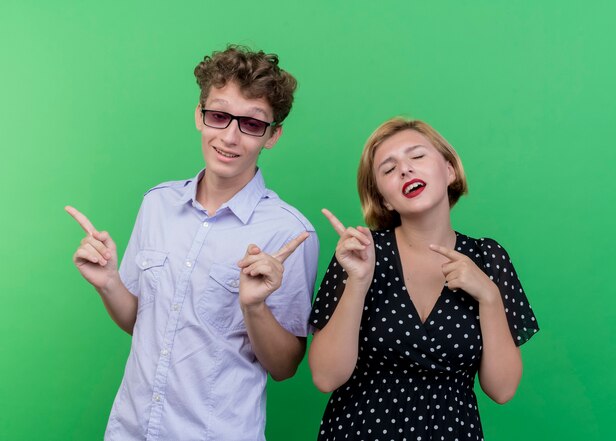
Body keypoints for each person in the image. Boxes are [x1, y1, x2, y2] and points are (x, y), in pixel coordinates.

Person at [65, 45, 318, 441]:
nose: (230, 137)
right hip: (130, 430)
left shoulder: (289, 233)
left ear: (272, 136)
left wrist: (253, 307)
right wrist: (109, 283)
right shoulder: (157, 204)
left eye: (252, 124)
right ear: (199, 116)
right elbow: (142, 322)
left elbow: (285, 366)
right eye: (219, 116)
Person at [308, 117, 539, 440]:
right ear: (385, 199)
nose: (404, 170)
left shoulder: (488, 258)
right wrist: (358, 282)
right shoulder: (360, 252)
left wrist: (489, 297)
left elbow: (502, 390)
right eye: (388, 169)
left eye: (417, 156)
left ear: (449, 170)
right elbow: (325, 377)